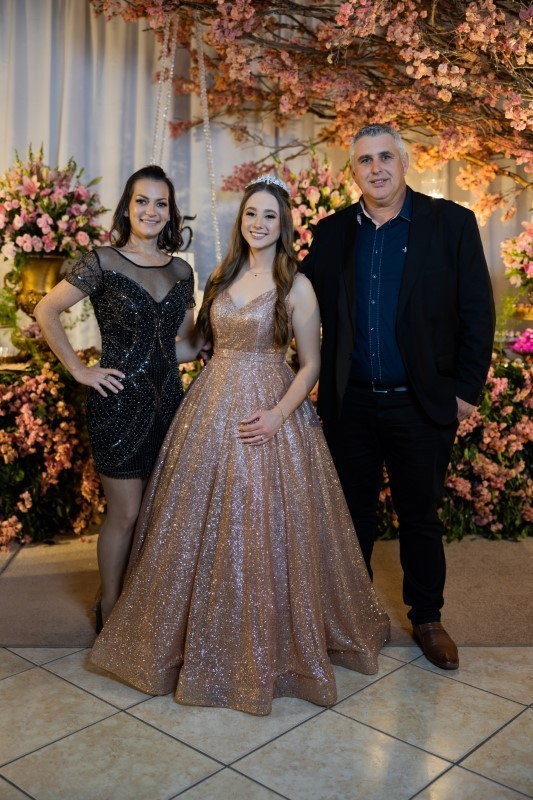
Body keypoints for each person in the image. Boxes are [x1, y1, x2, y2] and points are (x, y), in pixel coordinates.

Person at [89, 175, 390, 716]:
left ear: (283, 225)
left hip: (269, 407)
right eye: (251, 213)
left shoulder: (296, 285)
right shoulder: (221, 277)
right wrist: (129, 356)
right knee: (194, 524)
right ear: (241, 220)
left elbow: (311, 364)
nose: (258, 223)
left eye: (269, 215)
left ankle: (261, 640)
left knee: (262, 518)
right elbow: (196, 345)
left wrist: (277, 415)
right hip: (209, 406)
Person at [302, 124, 495, 670]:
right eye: (365, 160)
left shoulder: (451, 223)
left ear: (404, 162)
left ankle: (427, 619)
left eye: (385, 156)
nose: (377, 168)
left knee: (420, 517)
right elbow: (294, 296)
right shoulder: (332, 232)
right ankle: (354, 617)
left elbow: (477, 310)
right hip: (351, 402)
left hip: (421, 401)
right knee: (352, 518)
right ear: (354, 172)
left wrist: (465, 391)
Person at [35, 165, 195, 629]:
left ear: (171, 212)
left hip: (169, 404)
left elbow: (182, 347)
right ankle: (109, 606)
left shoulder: (182, 270)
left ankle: (143, 600)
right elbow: (46, 309)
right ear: (127, 207)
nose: (151, 211)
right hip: (118, 403)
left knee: (154, 515)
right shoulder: (102, 261)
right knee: (125, 513)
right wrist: (79, 369)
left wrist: (217, 338)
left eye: (161, 203)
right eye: (142, 201)